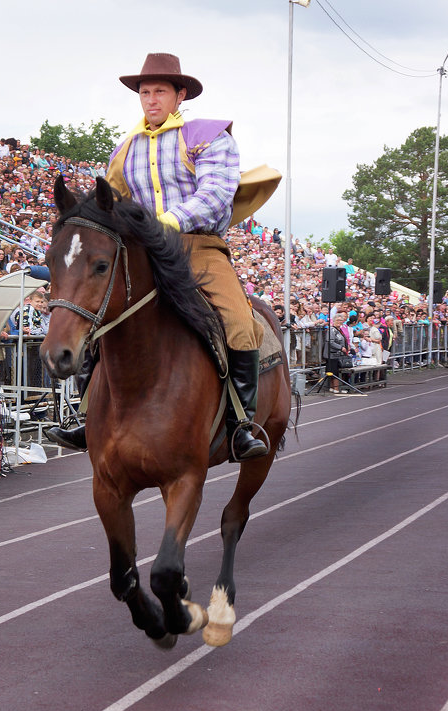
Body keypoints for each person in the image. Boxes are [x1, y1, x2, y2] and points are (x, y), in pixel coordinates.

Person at [46, 52, 277, 459]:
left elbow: (216, 194)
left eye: (160, 92)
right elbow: (108, 202)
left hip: (198, 246)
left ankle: (241, 424)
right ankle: (85, 415)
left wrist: (167, 222)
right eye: (145, 92)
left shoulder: (209, 135)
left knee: (240, 322)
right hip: (146, 252)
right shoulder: (126, 149)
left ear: (180, 95)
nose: (151, 100)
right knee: (100, 313)